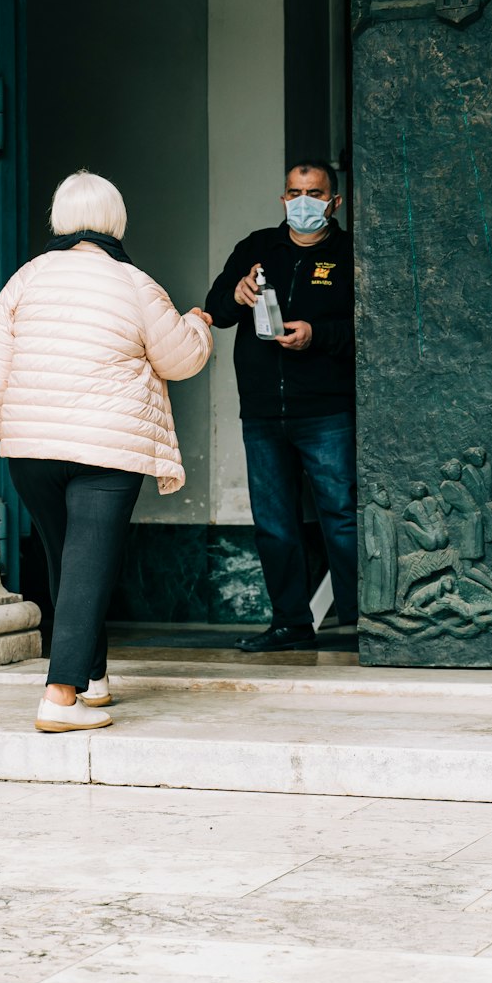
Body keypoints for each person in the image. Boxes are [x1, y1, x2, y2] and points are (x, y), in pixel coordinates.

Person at [0, 171, 213, 732]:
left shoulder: (25, 279)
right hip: (108, 446)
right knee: (87, 562)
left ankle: (93, 677)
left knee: (68, 558)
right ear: (116, 220)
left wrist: (6, 432)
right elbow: (177, 359)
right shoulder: (133, 283)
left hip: (31, 448)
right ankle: (59, 698)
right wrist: (198, 326)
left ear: (59, 218)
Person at [205, 159, 356, 653]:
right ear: (283, 199)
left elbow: (368, 329)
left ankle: (362, 624)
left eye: (314, 194)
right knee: (274, 521)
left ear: (332, 202)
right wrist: (238, 290)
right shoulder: (257, 247)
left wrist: (317, 335)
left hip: (326, 410)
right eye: (294, 193)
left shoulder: (351, 252)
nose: (303, 203)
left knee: (341, 516)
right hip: (264, 412)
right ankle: (291, 622)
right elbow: (216, 311)